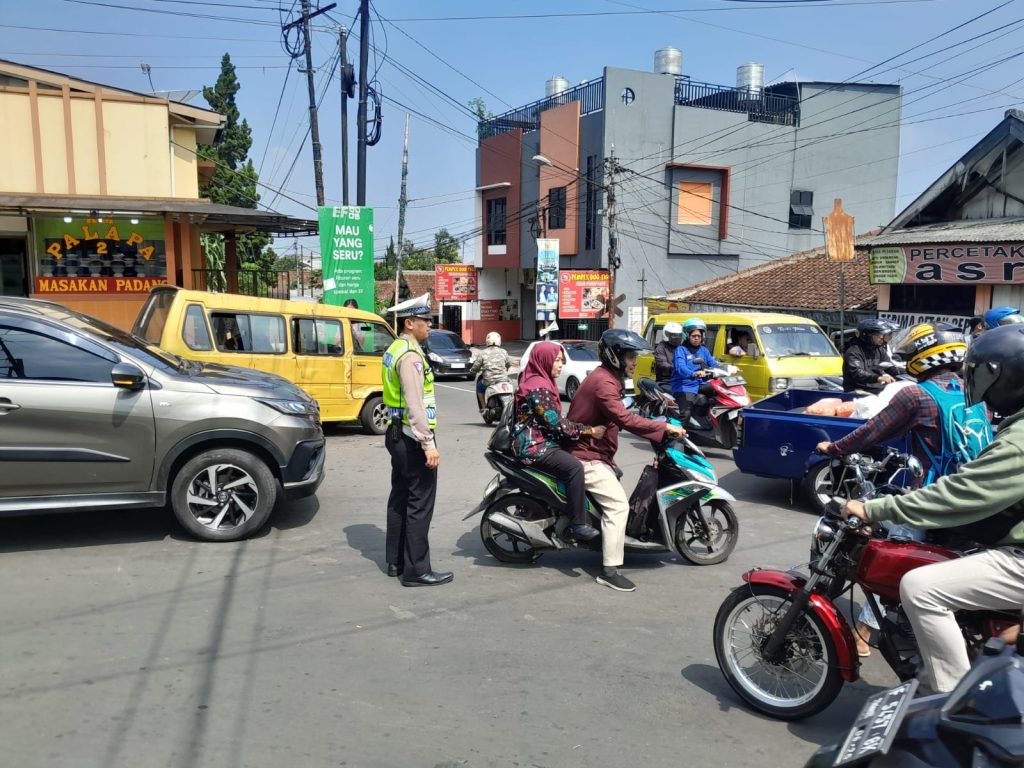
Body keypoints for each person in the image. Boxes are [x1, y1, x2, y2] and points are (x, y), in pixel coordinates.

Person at [844, 323, 1024, 693]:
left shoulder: (916, 397)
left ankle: (950, 699)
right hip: (981, 508)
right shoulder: (980, 407)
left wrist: (874, 506)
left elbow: (871, 432)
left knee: (914, 581)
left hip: (942, 499)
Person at [817, 323, 975, 656]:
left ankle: (863, 633)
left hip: (933, 500)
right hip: (972, 498)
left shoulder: (917, 396)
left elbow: (871, 432)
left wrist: (833, 449)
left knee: (884, 553)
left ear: (925, 357)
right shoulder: (972, 392)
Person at [567, 329, 686, 592]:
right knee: (619, 506)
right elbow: (624, 419)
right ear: (614, 356)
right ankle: (610, 570)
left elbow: (621, 410)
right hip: (586, 456)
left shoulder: (608, 378)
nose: (634, 362)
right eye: (630, 356)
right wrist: (663, 427)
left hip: (596, 453)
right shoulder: (604, 383)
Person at [381, 292, 453, 587]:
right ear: (410, 323)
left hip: (395, 433)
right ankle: (416, 570)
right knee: (419, 503)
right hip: (411, 437)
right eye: (426, 321)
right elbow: (415, 405)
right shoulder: (410, 356)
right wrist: (428, 443)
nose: (430, 326)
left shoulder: (395, 348)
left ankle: (395, 561)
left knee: (400, 497)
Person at [512, 341, 607, 542]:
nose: (560, 365)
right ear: (544, 360)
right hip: (535, 446)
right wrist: (589, 430)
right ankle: (578, 524)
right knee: (574, 468)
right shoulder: (539, 387)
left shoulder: (538, 380)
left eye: (561, 361)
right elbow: (556, 425)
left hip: (541, 441)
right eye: (556, 360)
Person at [670, 318, 719, 423]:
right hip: (684, 385)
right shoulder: (681, 350)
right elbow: (680, 367)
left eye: (699, 336)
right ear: (687, 336)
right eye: (694, 336)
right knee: (686, 413)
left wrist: (727, 368)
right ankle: (678, 434)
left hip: (701, 383)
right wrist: (693, 373)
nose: (697, 338)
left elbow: (713, 364)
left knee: (720, 394)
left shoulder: (704, 350)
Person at [842, 318, 895, 394]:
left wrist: (904, 372)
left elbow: (888, 366)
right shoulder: (853, 351)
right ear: (866, 336)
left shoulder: (879, 349)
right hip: (857, 389)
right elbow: (858, 373)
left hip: (875, 388)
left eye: (882, 334)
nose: (881, 337)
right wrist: (879, 378)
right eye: (877, 335)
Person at [470, 331, 515, 412]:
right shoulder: (504, 351)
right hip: (504, 379)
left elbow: (476, 366)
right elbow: (509, 364)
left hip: (489, 380)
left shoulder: (483, 352)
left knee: (479, 387)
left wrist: (472, 371)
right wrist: (506, 369)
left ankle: (484, 407)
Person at [654, 321, 684, 391]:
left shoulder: (681, 347)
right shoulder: (661, 348)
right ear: (667, 335)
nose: (677, 337)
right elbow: (663, 364)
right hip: (666, 380)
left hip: (680, 379)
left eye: (678, 335)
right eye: (674, 335)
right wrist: (676, 368)